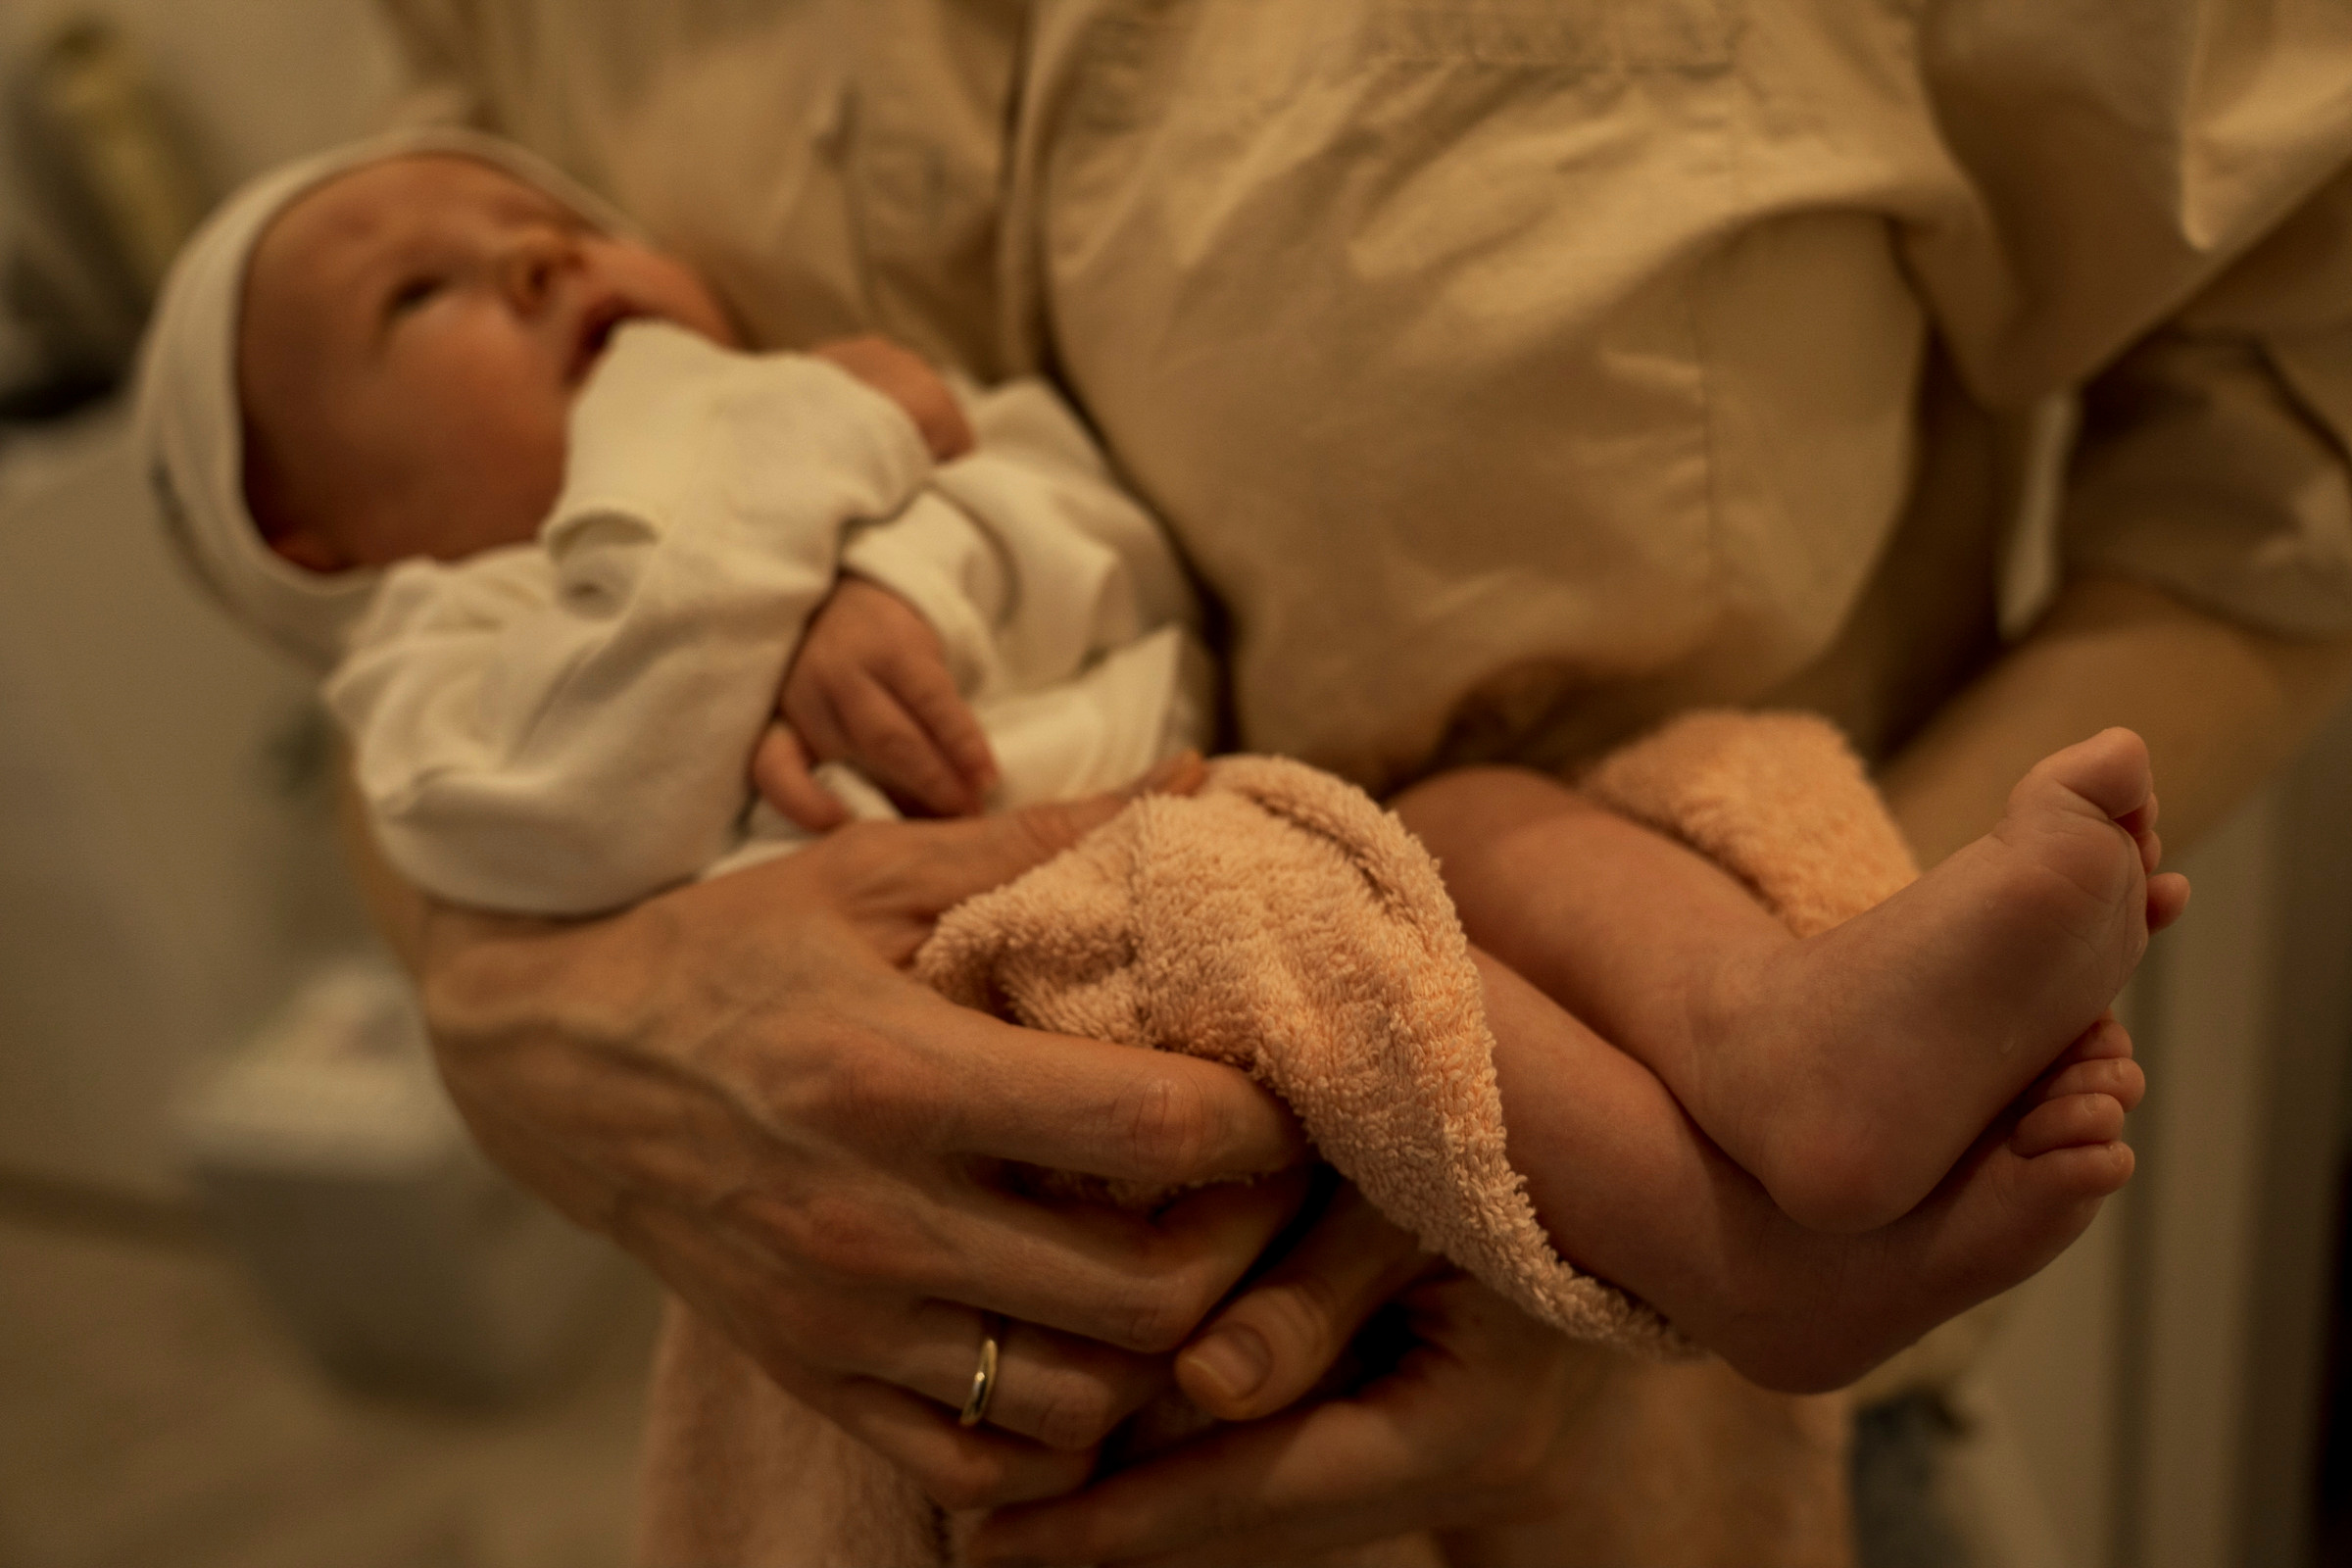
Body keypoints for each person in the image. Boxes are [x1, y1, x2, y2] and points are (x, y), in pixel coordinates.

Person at [190, 2, 2352, 1562]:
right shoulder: (475, 633)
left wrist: (874, 474)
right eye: (431, 292)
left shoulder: (752, 429)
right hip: (1056, 971)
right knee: (1304, 908)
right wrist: (526, 1032)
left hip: (1297, 870)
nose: (538, 252)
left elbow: (2301, 364)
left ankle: (1783, 1079)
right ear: (314, 537)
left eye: (526, 224)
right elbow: (513, 819)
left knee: (1504, 840)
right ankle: (1737, 1238)